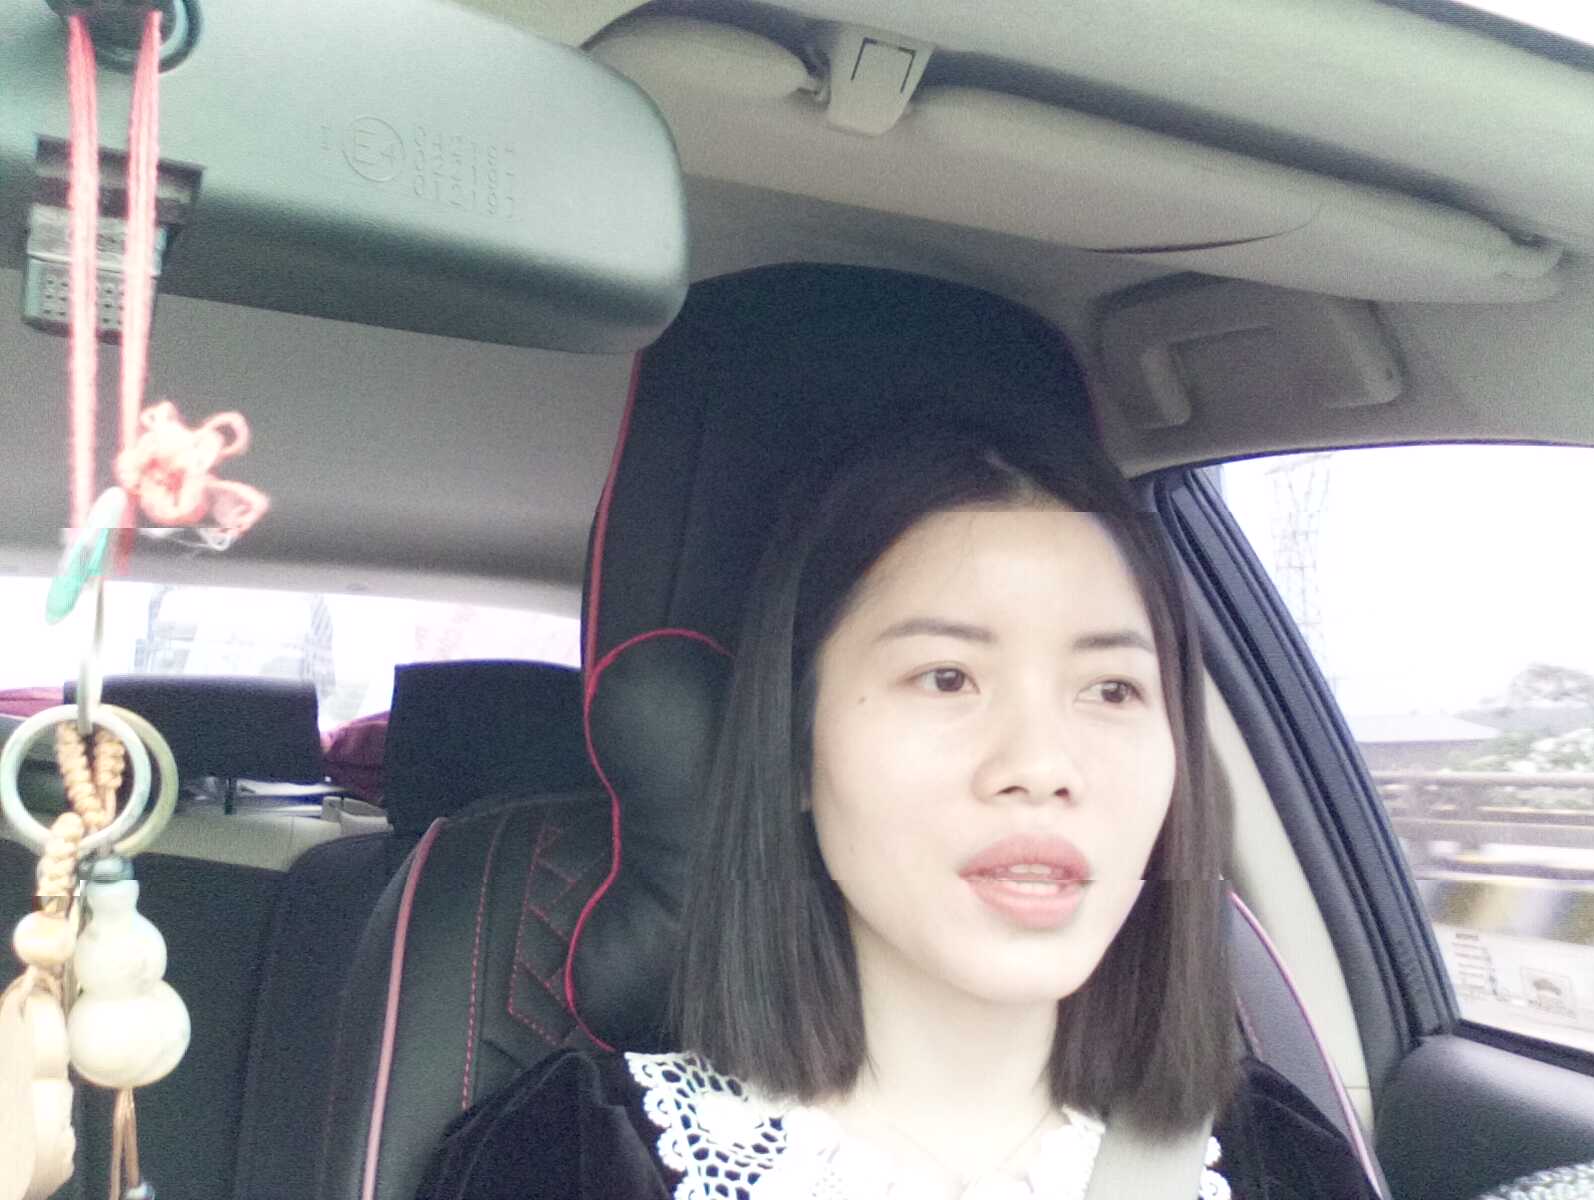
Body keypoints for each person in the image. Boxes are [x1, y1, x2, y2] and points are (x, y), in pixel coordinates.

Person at [418, 425, 1379, 1200]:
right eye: (947, 676)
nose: (1043, 767)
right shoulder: (565, 1158)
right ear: (795, 747)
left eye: (1113, 689)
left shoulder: (1275, 1156)